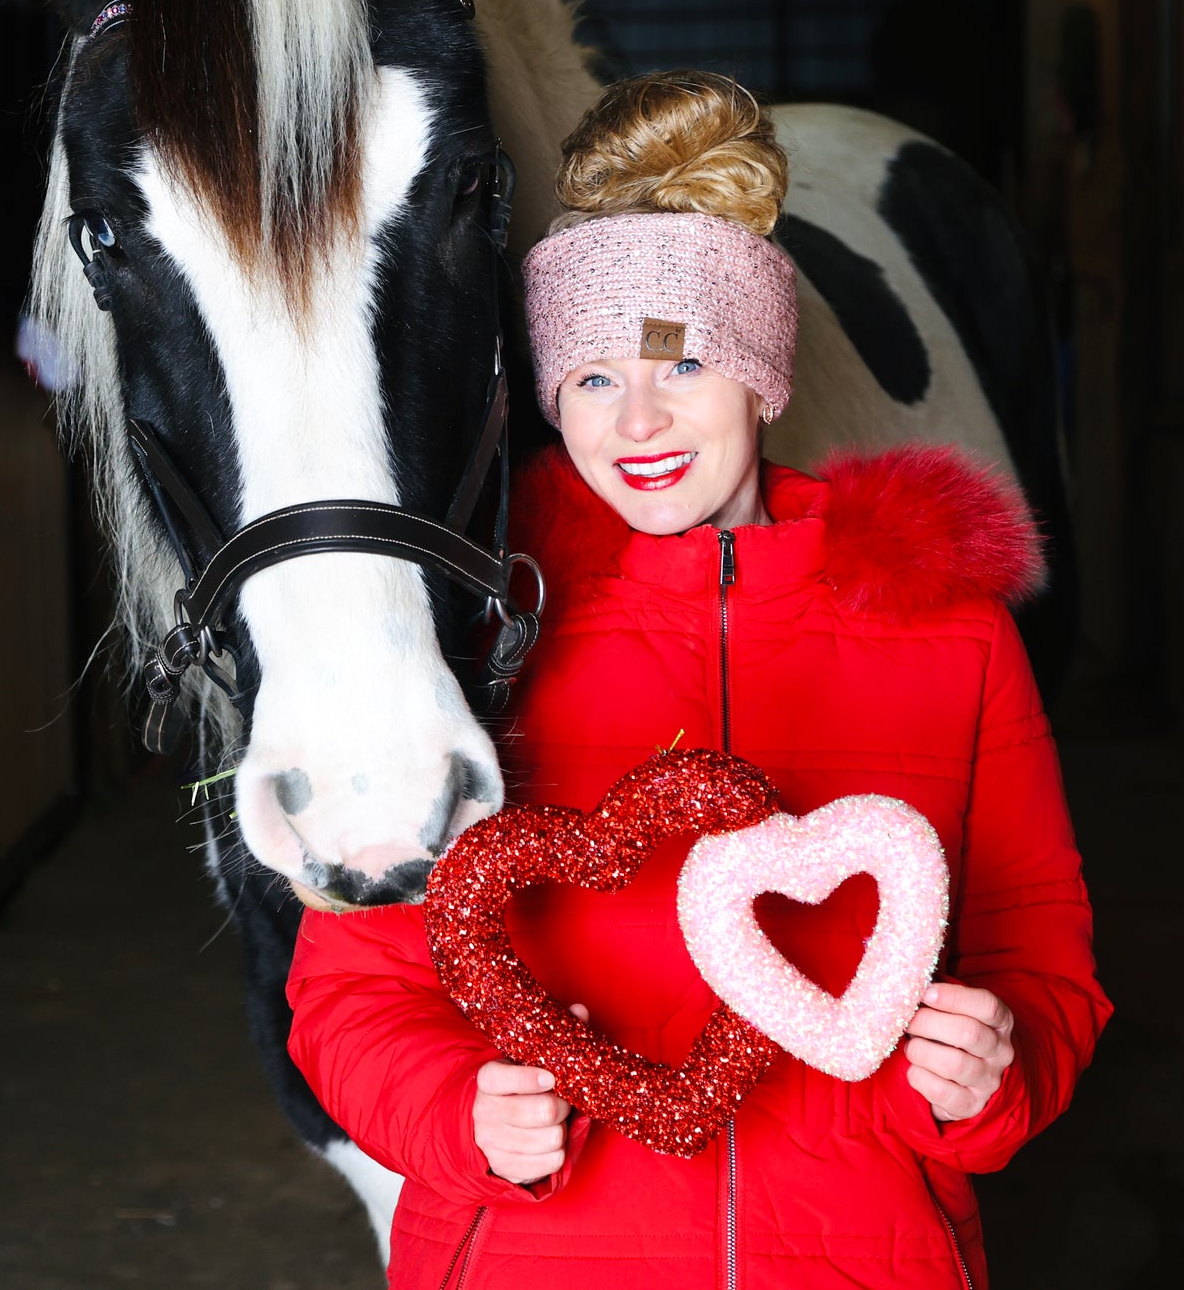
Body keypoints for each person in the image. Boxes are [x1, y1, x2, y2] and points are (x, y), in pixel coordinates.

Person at [286, 71, 1110, 1289]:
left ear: (762, 373)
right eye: (592, 379)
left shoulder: (947, 634)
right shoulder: (474, 646)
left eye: (679, 365)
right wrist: (456, 1115)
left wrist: (996, 1076)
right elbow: (347, 990)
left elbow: (1043, 962)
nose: (637, 422)